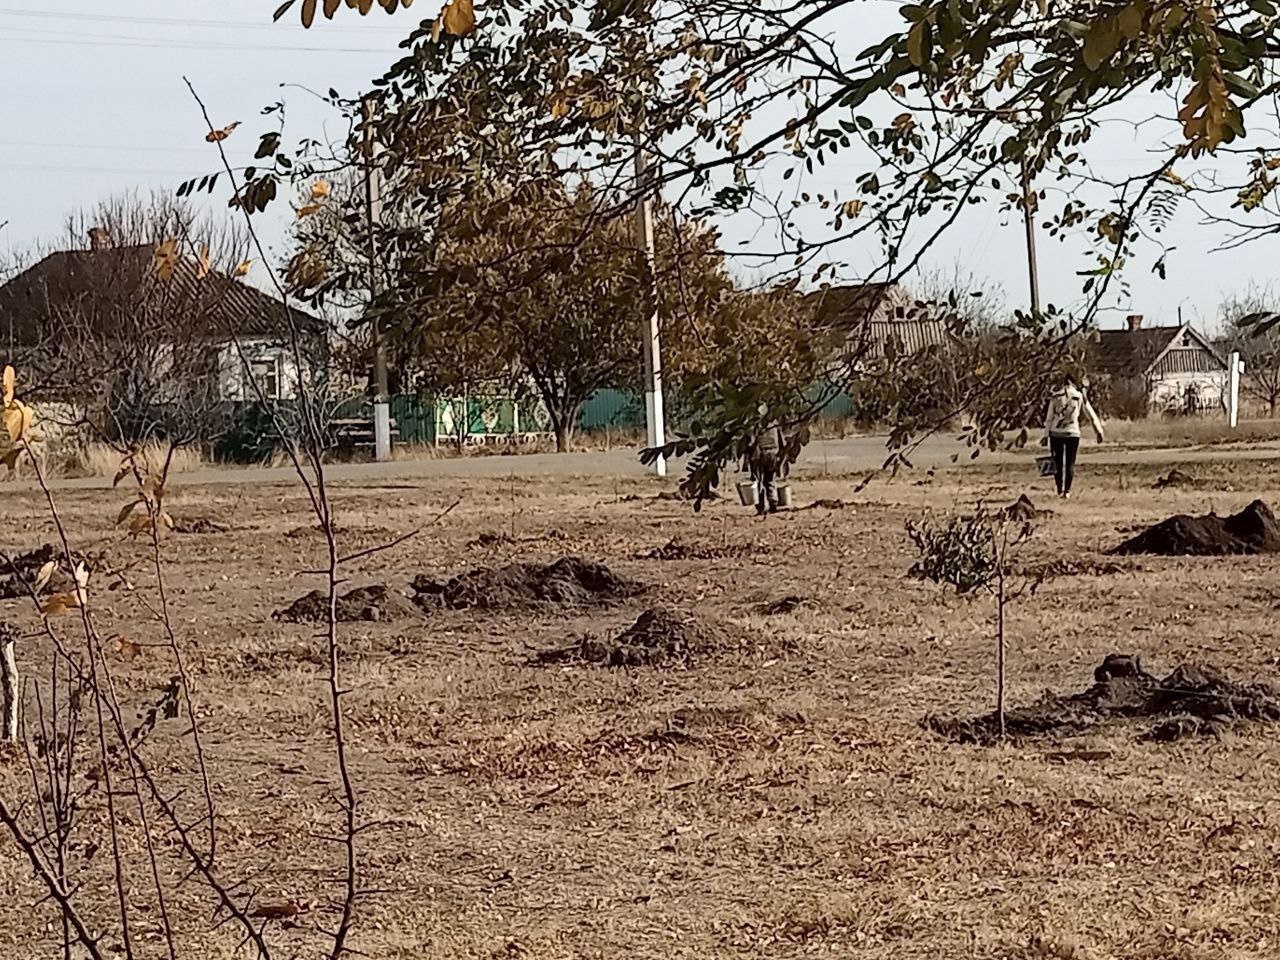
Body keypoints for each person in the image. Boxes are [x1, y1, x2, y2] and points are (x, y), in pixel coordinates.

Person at [1044, 376, 1104, 499]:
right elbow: (1090, 413)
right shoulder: (1079, 396)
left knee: (1058, 463)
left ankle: (1059, 489)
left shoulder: (1055, 396)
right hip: (1073, 433)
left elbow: (1049, 418)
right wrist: (1098, 431)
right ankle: (1067, 491)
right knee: (1070, 463)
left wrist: (1045, 435)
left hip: (1056, 433)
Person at [748, 419, 786, 515]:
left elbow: (750, 443)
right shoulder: (774, 423)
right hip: (773, 454)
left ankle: (760, 507)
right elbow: (783, 443)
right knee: (770, 479)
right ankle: (773, 503)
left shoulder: (755, 424)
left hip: (759, 455)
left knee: (758, 481)